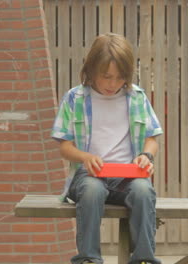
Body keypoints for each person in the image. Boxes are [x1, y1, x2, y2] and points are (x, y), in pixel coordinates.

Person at [51, 33, 163, 264]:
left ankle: (144, 259)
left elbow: (152, 138)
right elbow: (65, 147)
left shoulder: (137, 98)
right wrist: (86, 157)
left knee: (143, 191)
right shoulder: (75, 98)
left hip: (127, 176)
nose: (113, 84)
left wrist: (145, 155)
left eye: (120, 77)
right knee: (93, 191)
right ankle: (89, 259)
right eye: (106, 76)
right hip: (88, 175)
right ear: (91, 70)